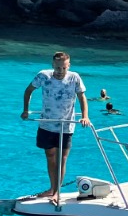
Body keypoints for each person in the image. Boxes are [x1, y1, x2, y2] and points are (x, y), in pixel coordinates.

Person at [22, 50, 91, 203]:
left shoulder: (75, 78)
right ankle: (52, 188)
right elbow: (28, 91)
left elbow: (82, 97)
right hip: (47, 125)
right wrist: (26, 110)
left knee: (62, 158)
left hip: (66, 126)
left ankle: (57, 192)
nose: (61, 71)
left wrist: (85, 116)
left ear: (69, 66)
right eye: (58, 68)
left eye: (64, 68)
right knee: (50, 156)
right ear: (53, 65)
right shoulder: (43, 76)